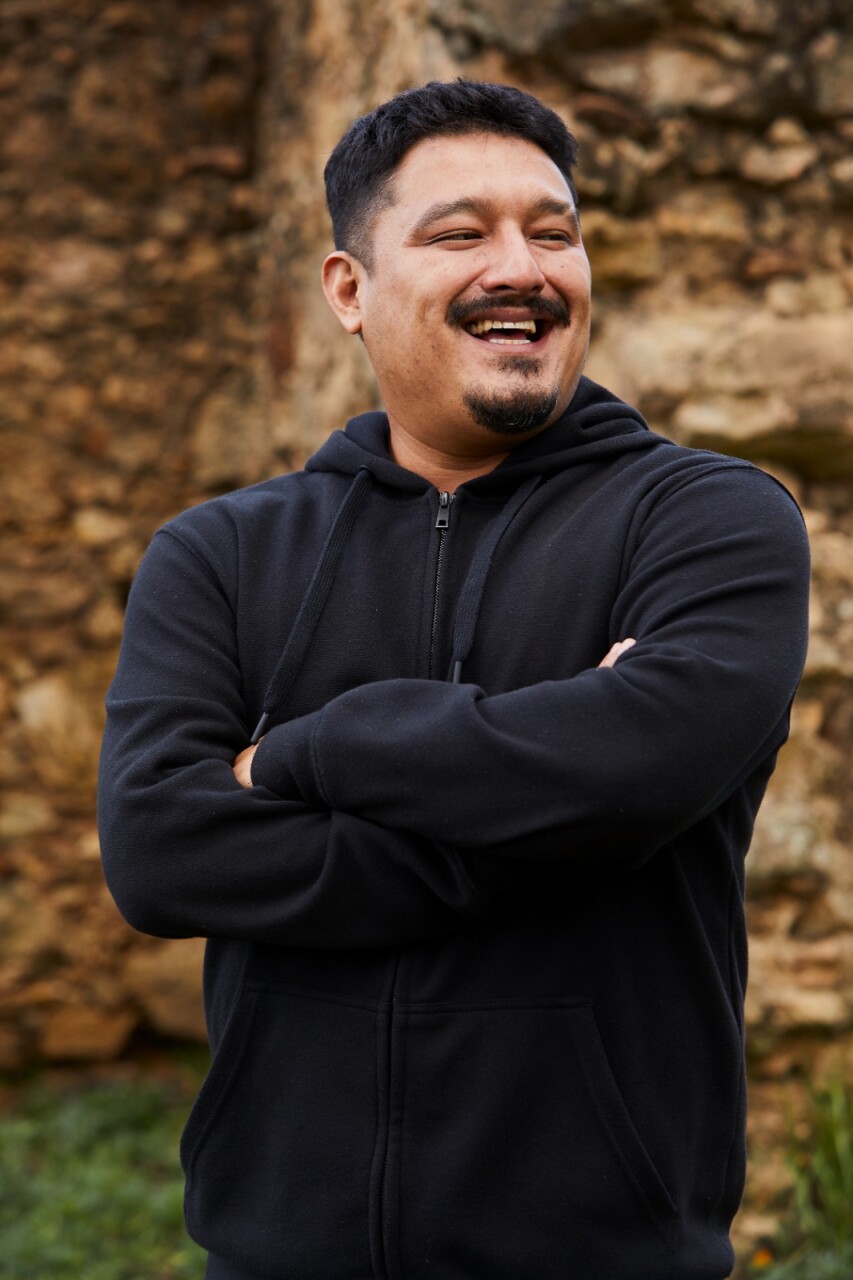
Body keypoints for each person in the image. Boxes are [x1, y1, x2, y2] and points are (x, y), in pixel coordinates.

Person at [98, 80, 810, 1280]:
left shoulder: (706, 519)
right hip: (279, 1256)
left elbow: (633, 773)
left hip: (606, 1257)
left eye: (553, 231)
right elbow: (161, 852)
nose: (520, 268)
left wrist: (297, 756)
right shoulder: (220, 554)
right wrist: (555, 817)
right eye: (460, 233)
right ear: (349, 290)